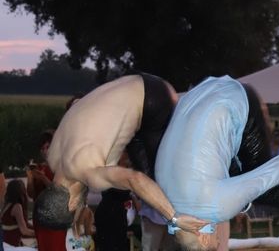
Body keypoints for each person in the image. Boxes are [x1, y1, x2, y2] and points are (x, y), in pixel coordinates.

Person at [155, 76, 279, 251]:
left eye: (217, 245)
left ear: (204, 240)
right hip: (198, 94)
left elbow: (269, 175)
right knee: (241, 184)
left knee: (264, 191)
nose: (220, 243)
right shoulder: (166, 206)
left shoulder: (217, 204)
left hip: (237, 102)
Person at [35, 74, 207, 235]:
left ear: (72, 203)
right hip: (134, 83)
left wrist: (175, 218)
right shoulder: (55, 156)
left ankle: (203, 214)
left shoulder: (88, 171)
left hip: (154, 100)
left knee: (167, 187)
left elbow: (135, 180)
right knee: (153, 190)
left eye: (75, 209)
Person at [29, 130, 67, 251]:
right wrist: (30, 178)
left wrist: (43, 178)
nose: (45, 151)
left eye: (48, 147)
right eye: (42, 148)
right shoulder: (39, 168)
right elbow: (32, 194)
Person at [1, 179, 35, 246]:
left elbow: (25, 224)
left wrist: (37, 229)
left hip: (5, 243)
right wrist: (40, 234)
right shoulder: (17, 207)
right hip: (12, 244)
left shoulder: (7, 204)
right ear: (21, 191)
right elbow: (24, 231)